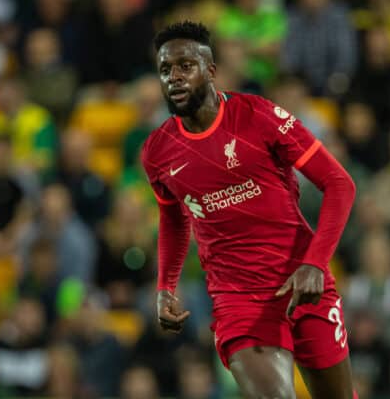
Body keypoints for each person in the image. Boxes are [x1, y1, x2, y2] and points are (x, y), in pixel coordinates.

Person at [142, 21, 357, 398]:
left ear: (211, 71)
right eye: (164, 70)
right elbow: (174, 218)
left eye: (184, 66)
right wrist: (165, 286)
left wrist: (314, 263)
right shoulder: (158, 152)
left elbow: (340, 184)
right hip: (239, 300)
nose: (173, 77)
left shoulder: (257, 116)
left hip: (302, 283)